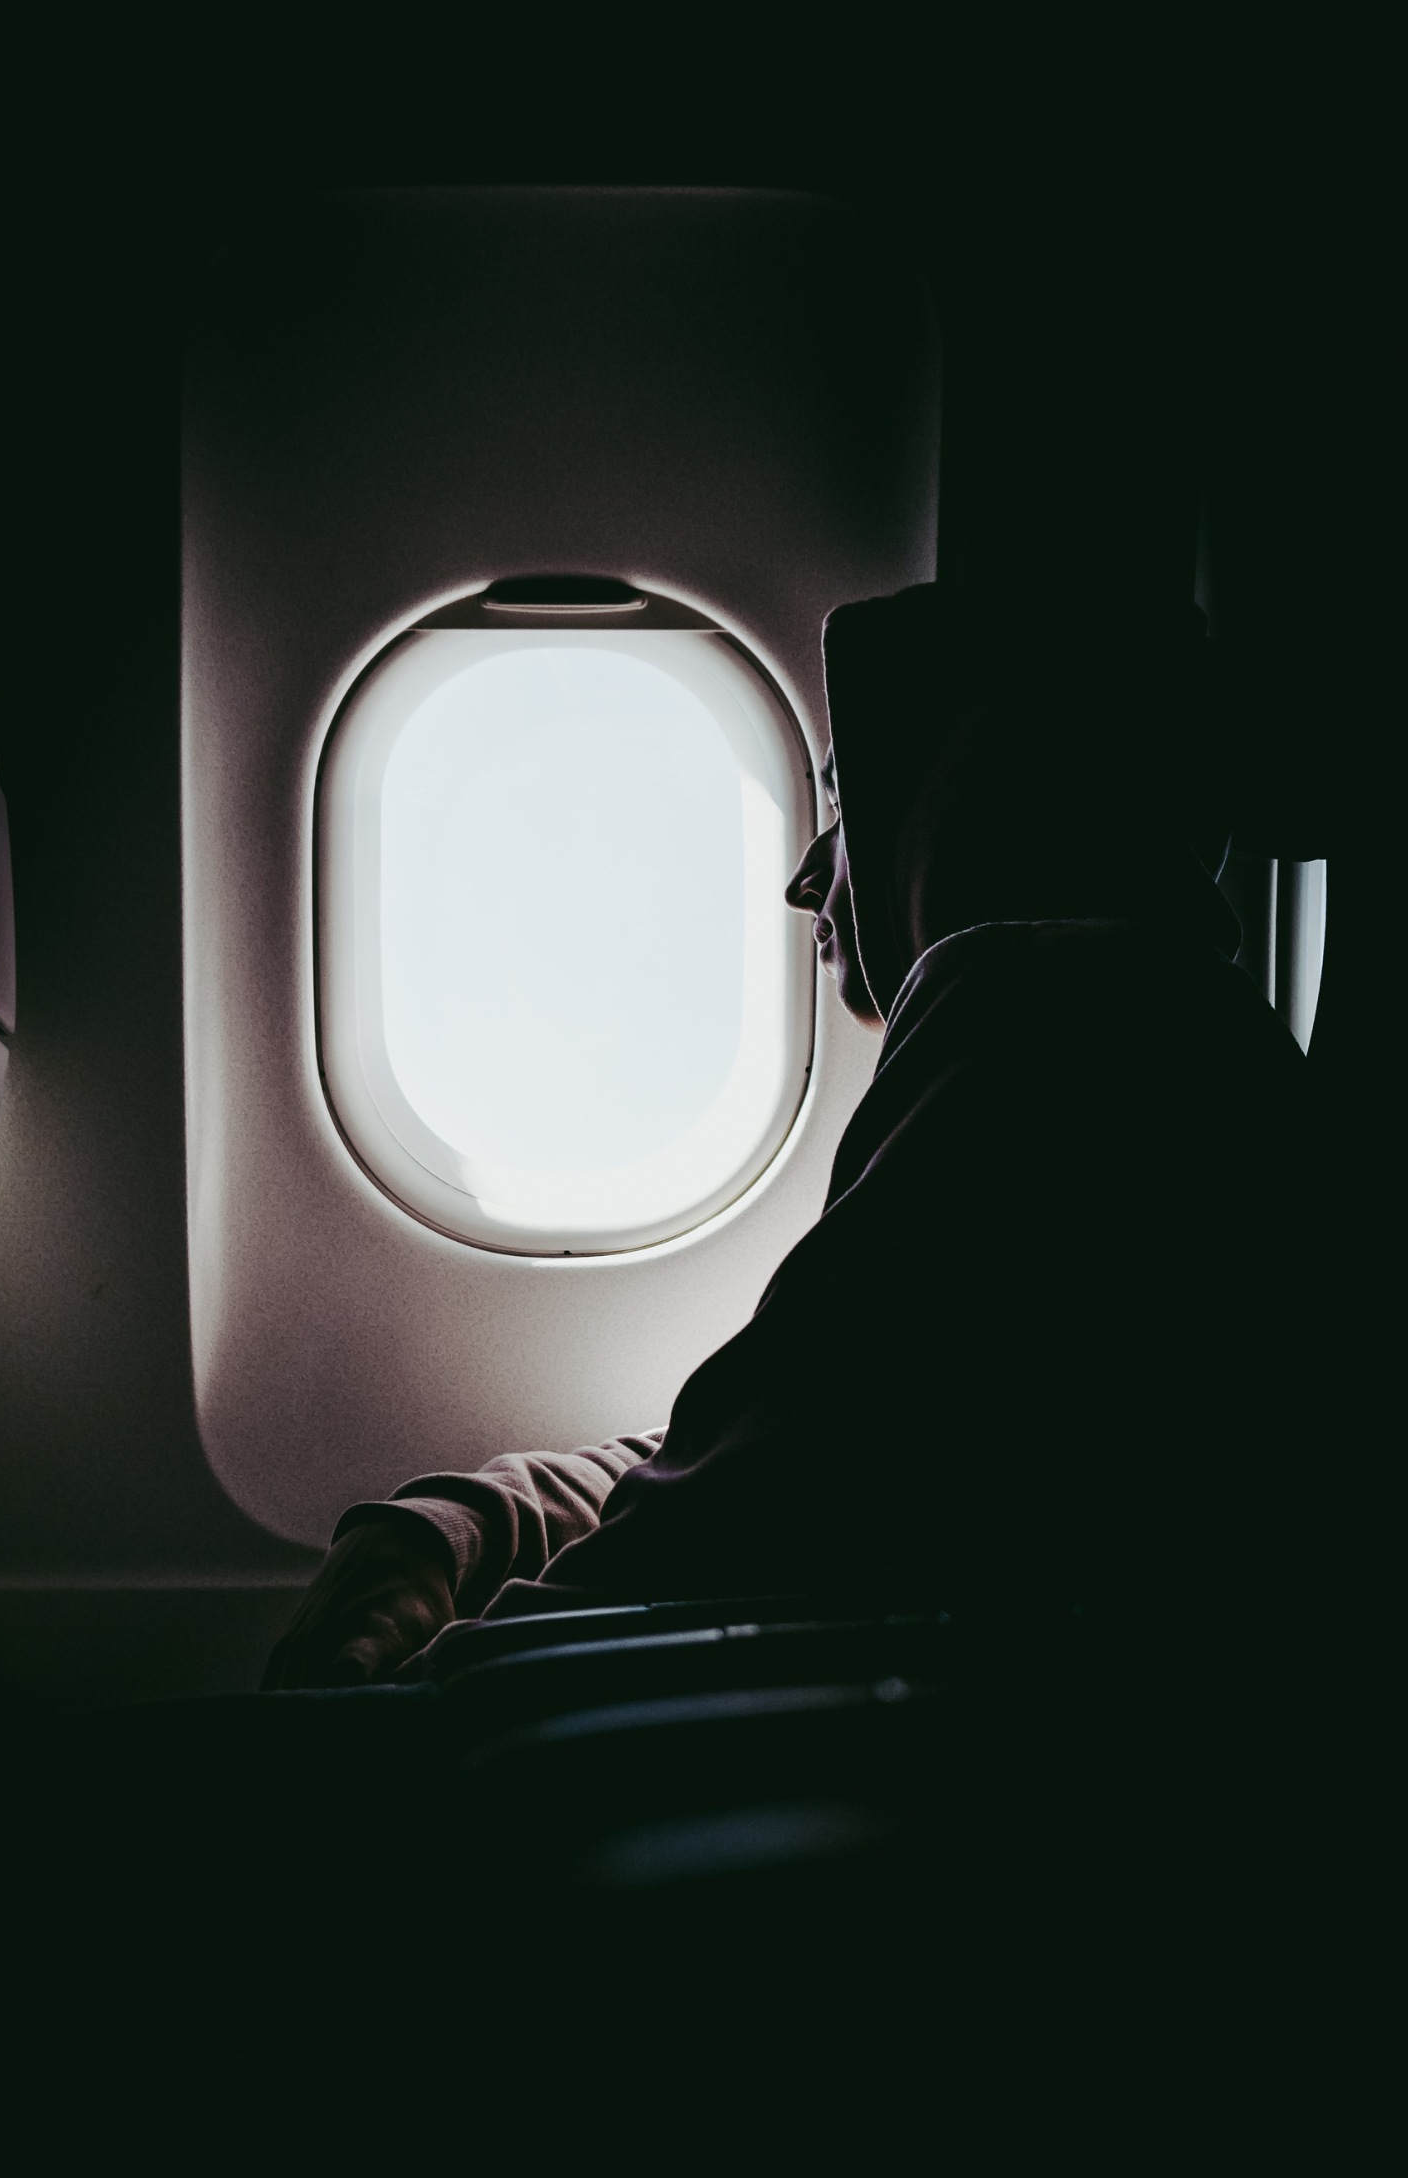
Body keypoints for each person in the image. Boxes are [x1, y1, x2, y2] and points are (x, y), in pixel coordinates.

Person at [264, 582, 1320, 1691]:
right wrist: (462, 1522)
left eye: (850, 805)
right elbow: (793, 1440)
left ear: (969, 798)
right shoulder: (1120, 1018)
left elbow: (715, 1539)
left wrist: (389, 1709)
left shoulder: (1055, 1028)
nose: (804, 876)